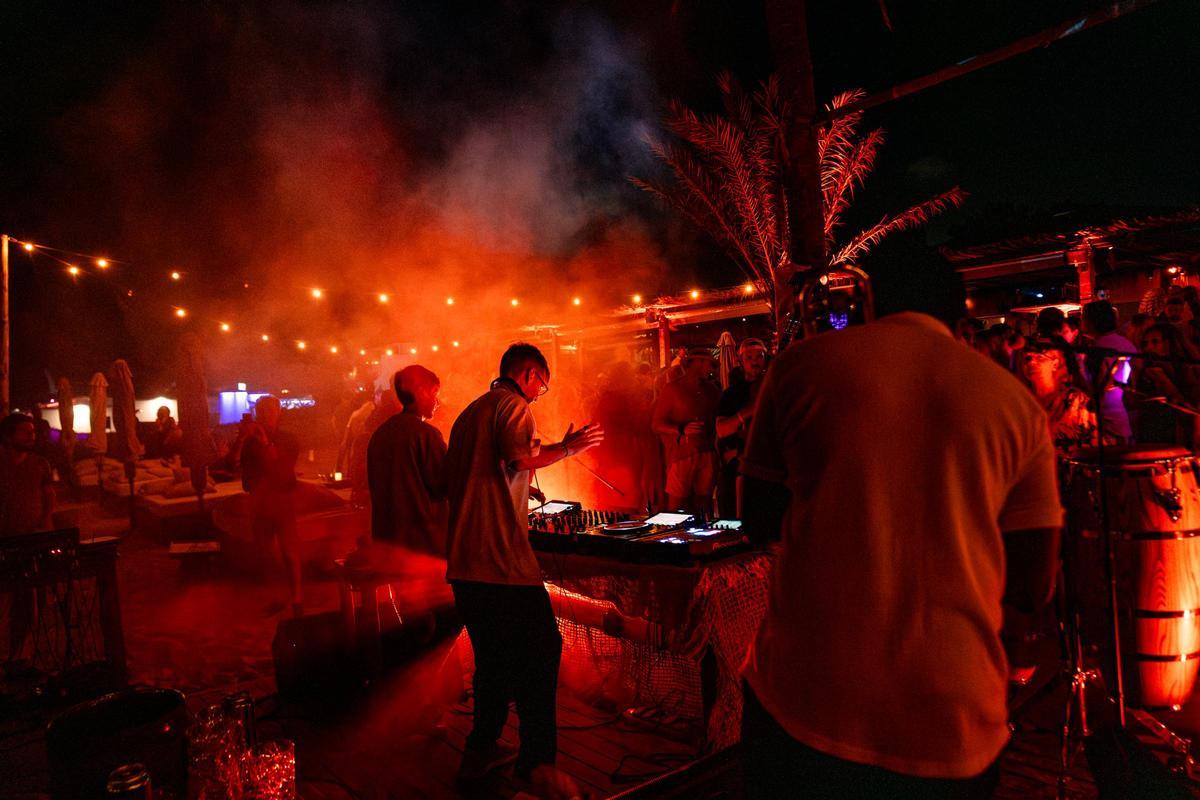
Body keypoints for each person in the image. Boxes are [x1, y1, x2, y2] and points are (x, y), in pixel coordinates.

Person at [739, 243, 1061, 799]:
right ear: (960, 318)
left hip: (807, 695)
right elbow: (1035, 585)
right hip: (952, 717)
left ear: (868, 300)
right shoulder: (1014, 403)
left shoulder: (801, 367)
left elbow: (757, 519)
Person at [444, 343, 603, 797]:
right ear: (530, 374)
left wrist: (514, 489)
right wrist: (568, 447)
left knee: (492, 662)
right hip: (502, 565)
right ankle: (537, 768)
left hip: (464, 565)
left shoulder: (468, 414)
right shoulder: (513, 405)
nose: (539, 397)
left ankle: (478, 756)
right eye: (542, 388)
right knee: (541, 653)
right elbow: (519, 458)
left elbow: (469, 476)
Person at [367, 365, 447, 555]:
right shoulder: (427, 435)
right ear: (419, 392)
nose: (438, 401)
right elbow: (443, 486)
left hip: (387, 540)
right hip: (422, 543)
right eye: (434, 392)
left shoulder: (381, 433)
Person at [241, 396, 303, 617]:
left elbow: (281, 470)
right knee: (266, 552)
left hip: (282, 500)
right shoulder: (249, 442)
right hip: (261, 503)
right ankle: (278, 596)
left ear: (278, 412)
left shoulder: (288, 439)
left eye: (270, 409)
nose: (266, 413)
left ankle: (297, 598)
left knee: (289, 551)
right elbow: (241, 471)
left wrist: (265, 442)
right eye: (262, 410)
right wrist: (242, 440)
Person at [651, 347, 721, 515]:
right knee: (675, 504)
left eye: (711, 365)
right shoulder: (672, 389)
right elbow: (656, 424)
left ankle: (705, 539)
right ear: (696, 363)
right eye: (707, 364)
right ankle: (670, 538)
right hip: (681, 455)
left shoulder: (712, 391)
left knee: (704, 505)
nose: (710, 368)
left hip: (707, 453)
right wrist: (681, 429)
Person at [1018, 336, 1100, 458]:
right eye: (1028, 358)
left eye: (1040, 357)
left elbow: (1093, 446)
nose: (1031, 363)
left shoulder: (1075, 401)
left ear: (1055, 363)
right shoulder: (1023, 401)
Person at [714, 338, 768, 517]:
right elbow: (721, 430)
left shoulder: (773, 386)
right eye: (749, 357)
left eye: (759, 356)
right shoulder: (732, 393)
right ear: (740, 361)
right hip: (740, 463)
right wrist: (748, 411)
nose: (755, 360)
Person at [1131, 322, 1200, 446]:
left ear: (1170, 344)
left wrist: (1164, 381)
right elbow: (1135, 404)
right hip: (1151, 433)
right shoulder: (1148, 370)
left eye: (1155, 342)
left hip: (1180, 435)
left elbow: (1192, 408)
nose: (1149, 348)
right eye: (1145, 344)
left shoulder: (1188, 369)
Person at [1081, 300, 1136, 443]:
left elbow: (1095, 388)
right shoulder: (1125, 343)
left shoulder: (1098, 348)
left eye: (1083, 317)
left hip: (1105, 419)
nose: (1081, 322)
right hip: (1124, 414)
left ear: (1093, 321)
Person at [0, 413, 55, 536]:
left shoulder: (40, 464)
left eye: (33, 432)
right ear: (8, 436)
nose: (31, 436)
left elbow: (49, 495)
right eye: (25, 432)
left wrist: (46, 520)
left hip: (34, 532)